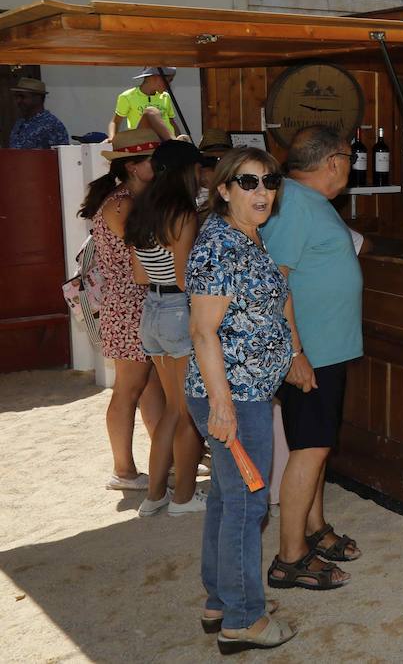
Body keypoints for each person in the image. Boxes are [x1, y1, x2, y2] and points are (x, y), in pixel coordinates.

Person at [186, 148, 297, 652]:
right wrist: (222, 405)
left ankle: (221, 600)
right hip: (235, 394)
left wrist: (291, 353)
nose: (262, 192)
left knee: (228, 502)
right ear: (224, 189)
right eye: (248, 183)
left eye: (269, 182)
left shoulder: (247, 237)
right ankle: (243, 619)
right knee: (248, 505)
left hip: (248, 389)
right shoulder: (219, 246)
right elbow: (204, 332)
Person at [261, 127, 364, 591]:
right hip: (311, 354)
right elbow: (274, 285)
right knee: (311, 448)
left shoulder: (305, 201)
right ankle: (290, 556)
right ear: (333, 161)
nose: (351, 167)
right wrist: (295, 354)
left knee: (317, 442)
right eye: (350, 157)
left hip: (326, 349)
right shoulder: (294, 204)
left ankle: (314, 527)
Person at [126, 139, 208, 517]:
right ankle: (184, 497)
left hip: (152, 311)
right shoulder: (183, 214)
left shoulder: (141, 211)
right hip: (177, 309)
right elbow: (185, 275)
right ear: (188, 171)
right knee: (185, 411)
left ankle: (155, 494)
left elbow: (142, 274)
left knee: (172, 410)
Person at [80, 127, 164, 491]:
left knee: (150, 388)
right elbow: (144, 262)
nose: (159, 168)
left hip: (134, 304)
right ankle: (124, 470)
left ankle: (160, 462)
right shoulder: (124, 203)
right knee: (130, 389)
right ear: (133, 165)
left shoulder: (124, 199)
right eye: (153, 161)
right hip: (133, 305)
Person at [109, 66, 178, 141]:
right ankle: (173, 143)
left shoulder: (166, 96)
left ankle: (175, 142)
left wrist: (180, 138)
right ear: (155, 78)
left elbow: (171, 122)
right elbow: (115, 122)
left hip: (163, 141)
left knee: (184, 139)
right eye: (168, 81)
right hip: (142, 141)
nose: (169, 85)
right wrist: (112, 139)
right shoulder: (127, 96)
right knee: (150, 111)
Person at [7, 77, 69, 149]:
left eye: (22, 96)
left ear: (38, 98)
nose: (18, 101)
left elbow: (62, 157)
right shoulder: (20, 123)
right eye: (16, 97)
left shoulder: (52, 125)